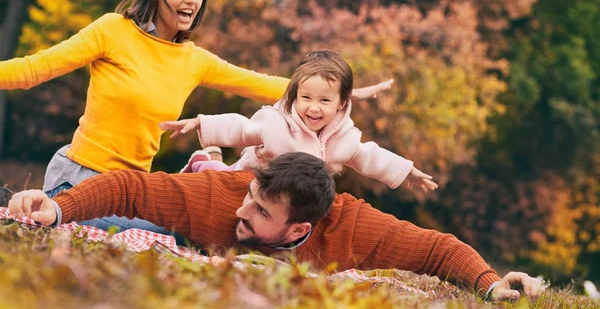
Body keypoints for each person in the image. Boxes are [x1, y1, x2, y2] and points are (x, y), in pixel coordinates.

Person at [0, 0, 391, 233]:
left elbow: (266, 85)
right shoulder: (112, 31)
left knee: (199, 227)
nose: (191, 0)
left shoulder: (193, 59)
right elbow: (34, 68)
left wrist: (337, 95)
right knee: (178, 234)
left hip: (135, 189)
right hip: (79, 180)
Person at [8, 152, 545, 302]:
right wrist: (58, 211)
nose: (245, 212)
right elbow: (131, 187)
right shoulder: (223, 197)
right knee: (103, 214)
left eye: (262, 212)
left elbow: (435, 250)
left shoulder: (355, 228)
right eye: (251, 198)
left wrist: (491, 284)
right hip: (171, 231)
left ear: (296, 231)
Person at [161, 51, 437, 192]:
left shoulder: (345, 140)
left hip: (287, 199)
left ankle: (211, 155)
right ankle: (204, 160)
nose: (313, 108)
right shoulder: (277, 124)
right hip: (246, 180)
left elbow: (371, 158)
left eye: (324, 101)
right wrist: (201, 123)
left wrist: (407, 172)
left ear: (342, 102)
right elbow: (242, 128)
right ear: (295, 95)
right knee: (215, 178)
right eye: (306, 98)